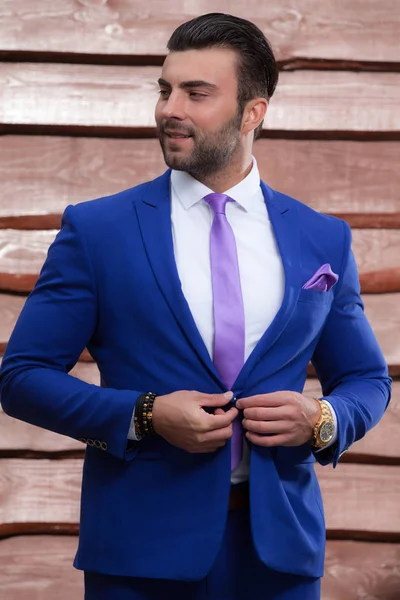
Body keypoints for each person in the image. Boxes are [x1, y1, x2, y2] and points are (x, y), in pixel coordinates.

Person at [0, 12, 391, 600]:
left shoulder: (321, 238)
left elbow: (365, 378)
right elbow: (21, 377)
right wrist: (146, 415)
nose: (169, 108)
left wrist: (322, 419)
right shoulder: (98, 230)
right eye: (165, 89)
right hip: (139, 553)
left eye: (196, 93)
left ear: (253, 112)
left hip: (279, 554)